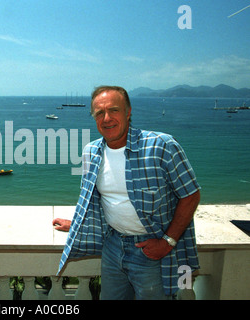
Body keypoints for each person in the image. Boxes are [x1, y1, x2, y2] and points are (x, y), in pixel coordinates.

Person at [53, 86, 201, 300]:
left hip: (152, 249)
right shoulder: (91, 152)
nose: (106, 118)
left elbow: (191, 195)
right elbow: (95, 199)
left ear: (128, 112)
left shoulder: (162, 146)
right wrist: (76, 223)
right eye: (99, 113)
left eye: (114, 110)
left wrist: (167, 242)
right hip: (113, 245)